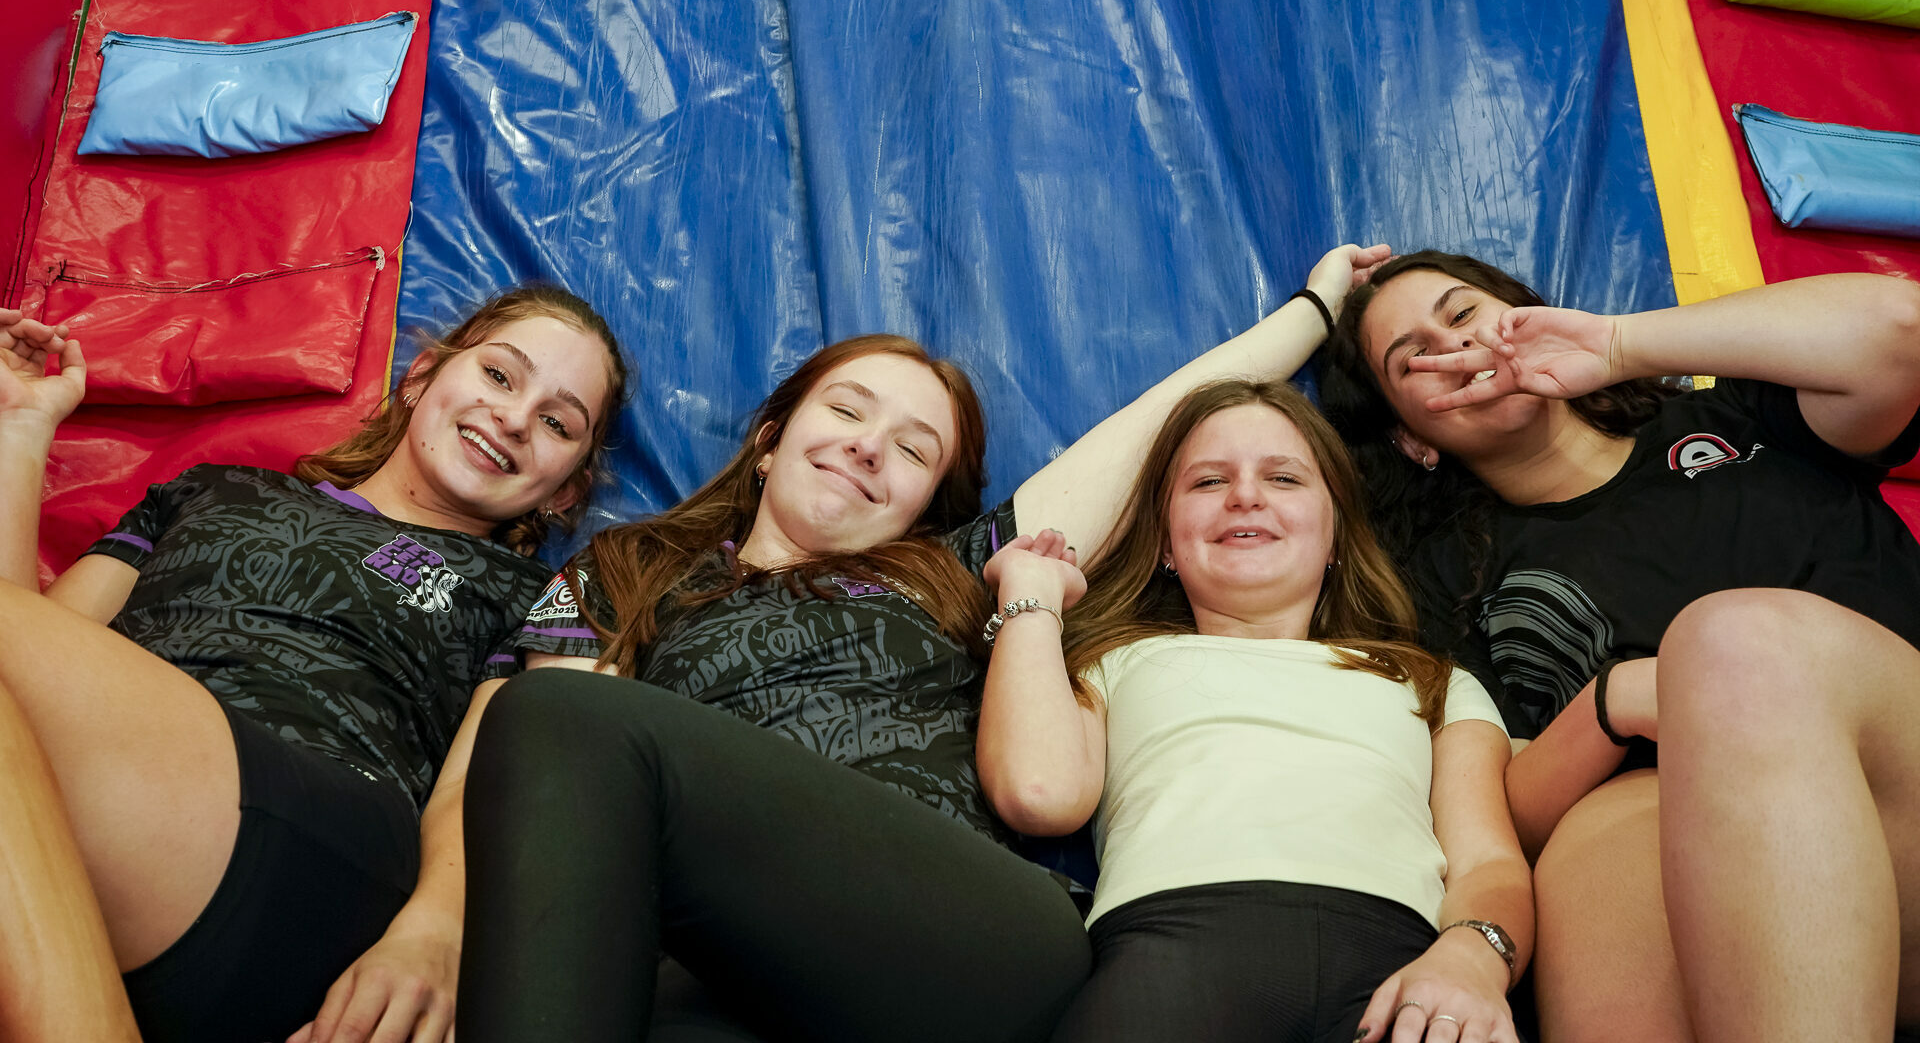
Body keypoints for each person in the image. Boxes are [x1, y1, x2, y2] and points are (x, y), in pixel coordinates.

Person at [454, 244, 1391, 1043]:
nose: (870, 448)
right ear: (770, 440)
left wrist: (1315, 310)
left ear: (923, 506)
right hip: (726, 953)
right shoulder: (630, 568)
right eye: (847, 412)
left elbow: (1160, 426)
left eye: (913, 451)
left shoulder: (952, 571)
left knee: (563, 714)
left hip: (958, 941)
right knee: (557, 735)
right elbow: (555, 820)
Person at [1319, 250, 1920, 1043]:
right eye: (1416, 359)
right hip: (1698, 871)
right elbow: (1497, 819)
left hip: (1898, 787)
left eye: (1464, 315)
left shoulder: (1736, 417)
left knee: (1734, 646)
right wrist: (1613, 701)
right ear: (1411, 439)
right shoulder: (1446, 580)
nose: (1456, 346)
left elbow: (1901, 330)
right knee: (1600, 835)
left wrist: (1616, 345)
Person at [0, 287, 628, 1043]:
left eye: (558, 423)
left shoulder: (543, 594)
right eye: (500, 375)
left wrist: (437, 930)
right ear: (422, 376)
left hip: (315, 836)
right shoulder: (213, 489)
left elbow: (514, 782)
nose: (516, 418)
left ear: (568, 489)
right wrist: (22, 425)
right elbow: (35, 655)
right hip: (103, 815)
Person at [976, 379, 1531, 1043]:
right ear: (1165, 543)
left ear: (1335, 536)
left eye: (1284, 478)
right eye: (1209, 481)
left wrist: (1473, 958)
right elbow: (1038, 792)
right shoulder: (1115, 663)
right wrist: (1033, 597)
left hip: (1407, 976)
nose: (1245, 495)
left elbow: (1487, 863)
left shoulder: (1432, 682)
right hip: (1176, 955)